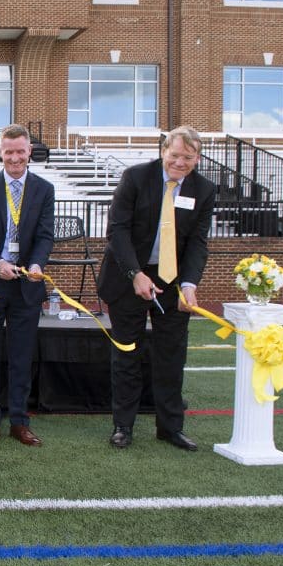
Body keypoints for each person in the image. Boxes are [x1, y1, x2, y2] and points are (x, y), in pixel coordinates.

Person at [98, 125, 216, 452]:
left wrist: (189, 284)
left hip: (173, 280)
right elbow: (117, 231)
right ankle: (123, 426)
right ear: (164, 151)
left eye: (188, 157)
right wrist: (135, 273)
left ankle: (170, 428)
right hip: (128, 277)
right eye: (175, 155)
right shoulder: (135, 178)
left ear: (197, 158)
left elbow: (197, 243)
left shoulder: (204, 189)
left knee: (171, 356)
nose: (180, 162)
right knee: (127, 355)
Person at [0, 123, 55, 447]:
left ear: (30, 151)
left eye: (21, 151)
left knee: (22, 356)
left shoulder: (44, 189)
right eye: (9, 152)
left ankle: (19, 421)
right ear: (0, 152)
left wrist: (35, 265)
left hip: (27, 284)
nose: (15, 158)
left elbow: (46, 235)